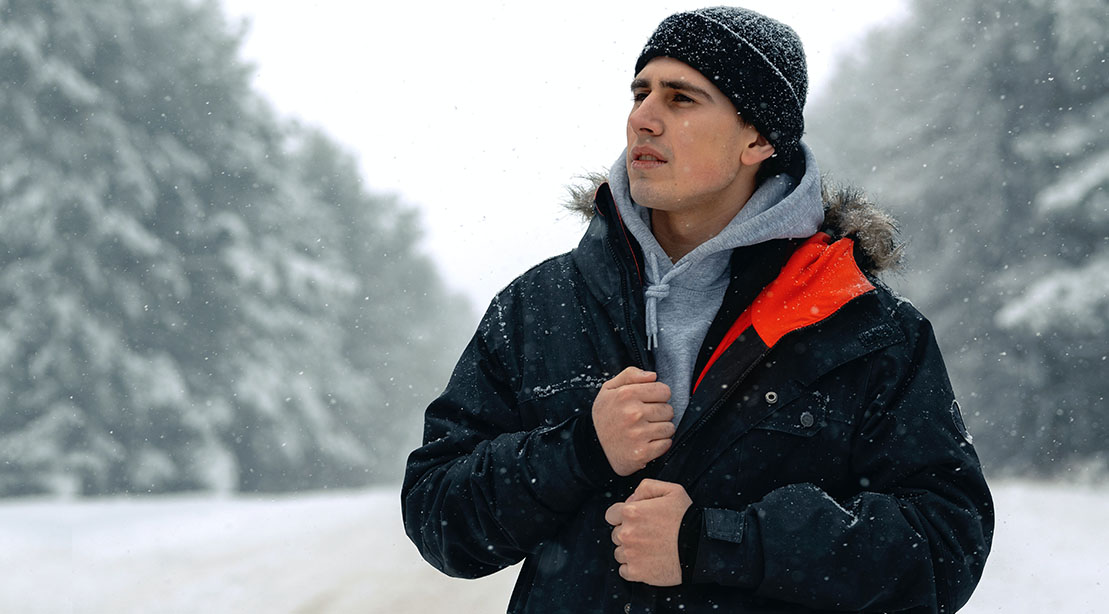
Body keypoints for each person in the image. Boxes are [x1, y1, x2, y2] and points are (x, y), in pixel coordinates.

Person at [402, 6, 993, 613]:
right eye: (640, 92)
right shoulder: (539, 308)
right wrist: (579, 450)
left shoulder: (862, 327)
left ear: (758, 138)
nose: (643, 119)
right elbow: (437, 518)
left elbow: (947, 544)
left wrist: (717, 543)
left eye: (681, 98)